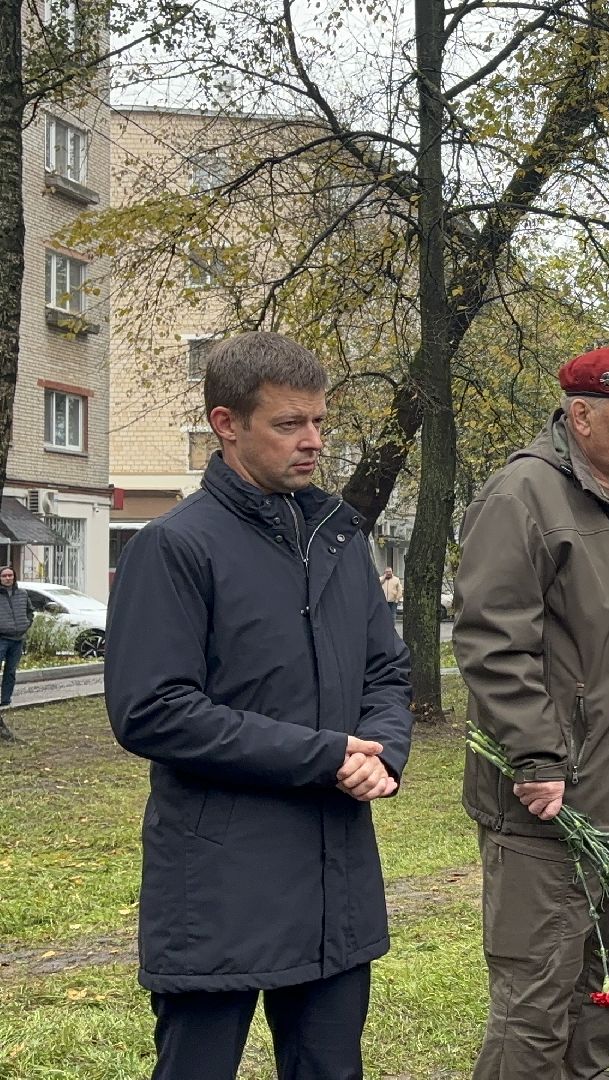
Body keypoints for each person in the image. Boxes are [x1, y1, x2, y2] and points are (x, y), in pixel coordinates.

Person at [103, 331, 413, 1080]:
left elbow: (387, 673)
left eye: (321, 423)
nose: (313, 443)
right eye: (289, 424)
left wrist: (382, 751)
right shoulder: (175, 548)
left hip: (334, 870)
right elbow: (152, 709)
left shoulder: (340, 540)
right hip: (220, 882)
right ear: (226, 423)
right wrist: (326, 755)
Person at [456, 346, 609, 1079]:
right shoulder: (522, 497)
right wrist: (536, 758)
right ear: (580, 415)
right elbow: (493, 641)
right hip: (551, 805)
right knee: (537, 1002)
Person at [0, 566, 30, 740]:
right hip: (2, 638)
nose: (8, 578)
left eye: (10, 575)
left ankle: (6, 699)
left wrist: (26, 624)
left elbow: (29, 611)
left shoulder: (22, 594)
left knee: (11, 671)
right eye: (4, 576)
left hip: (17, 639)